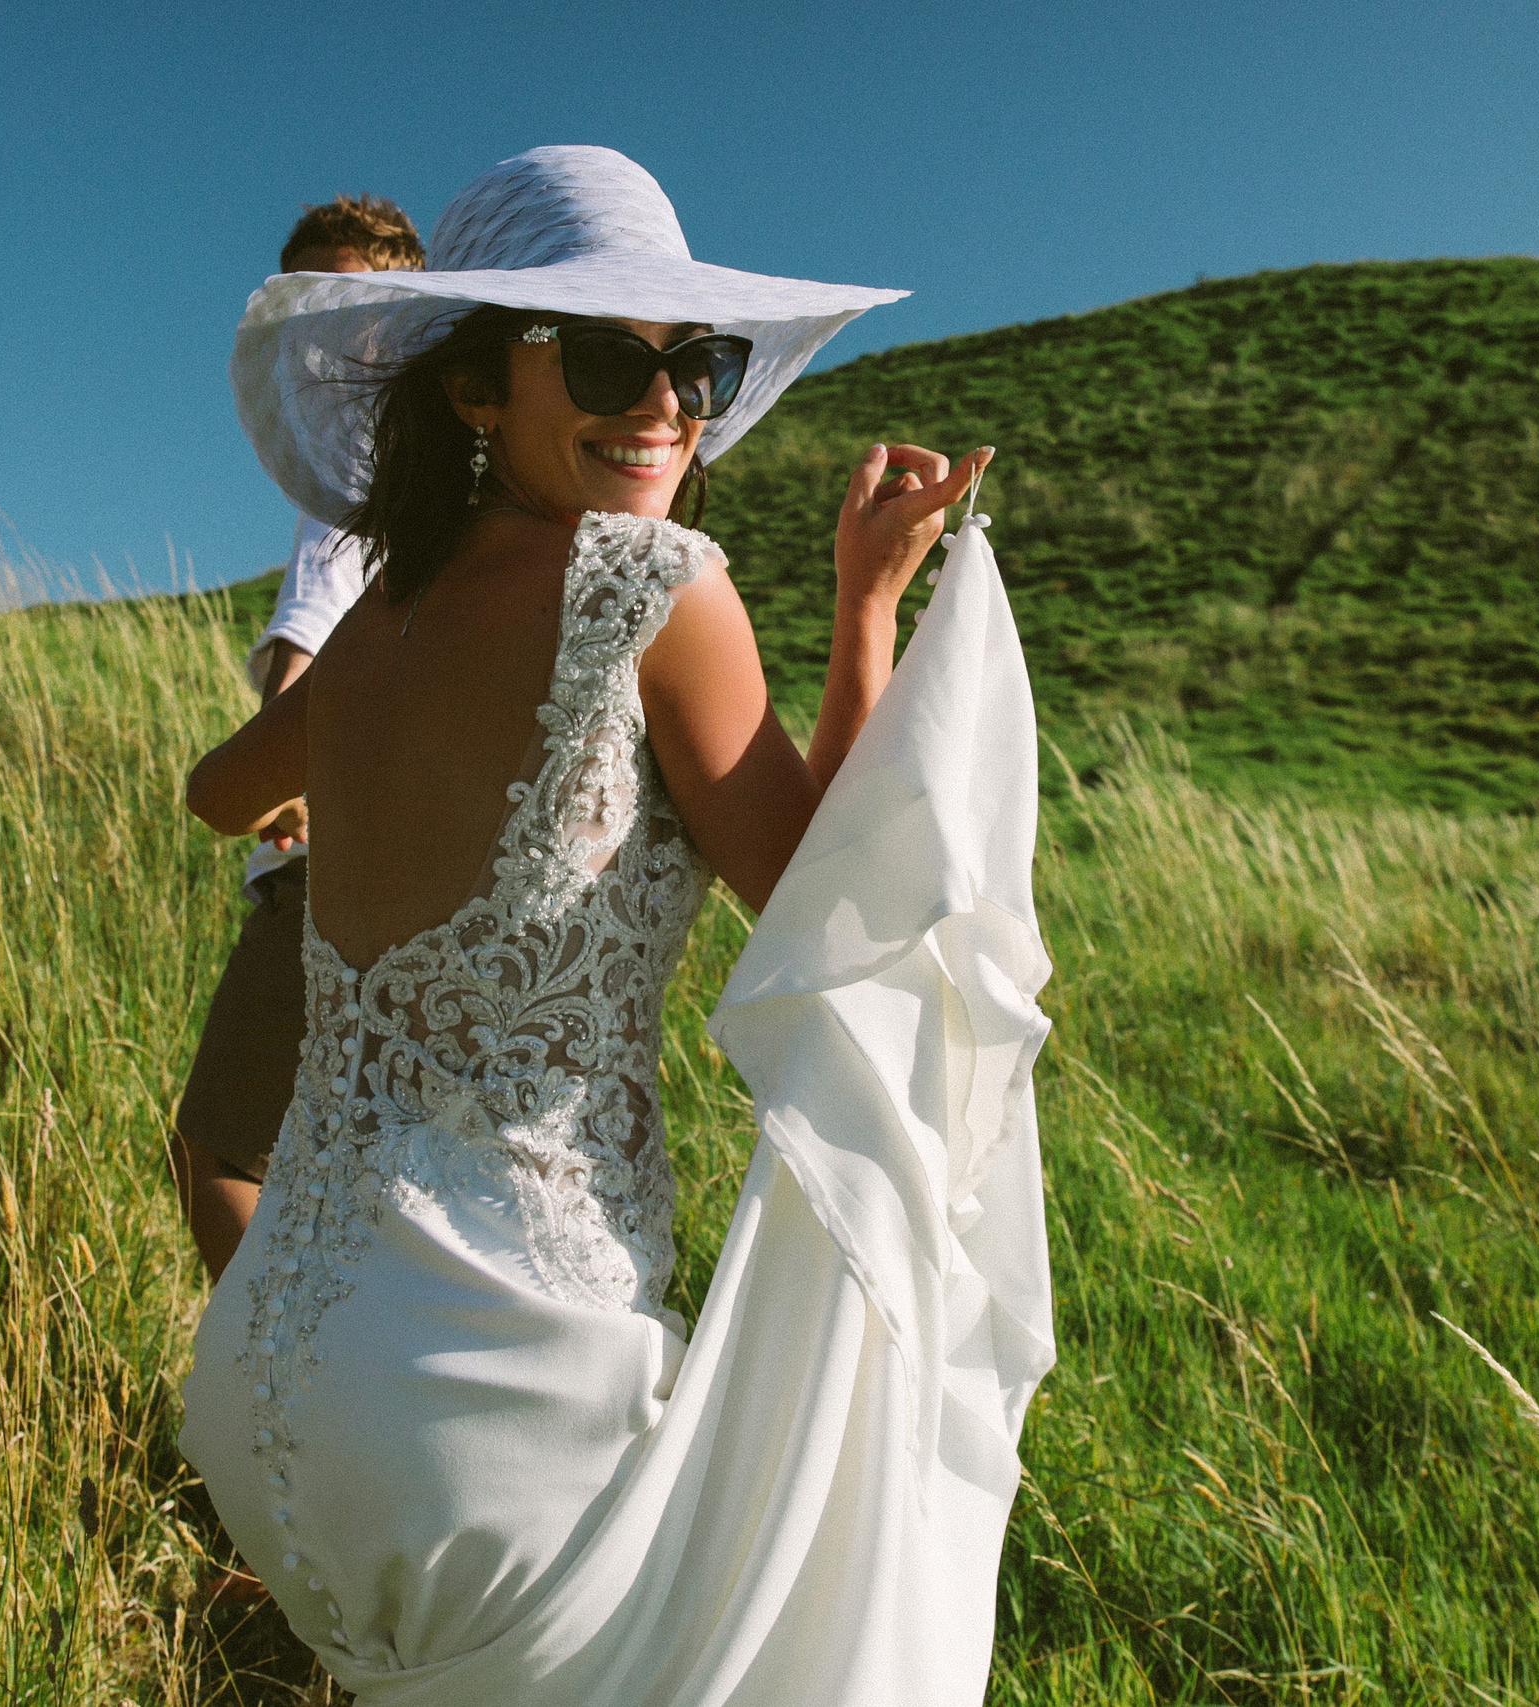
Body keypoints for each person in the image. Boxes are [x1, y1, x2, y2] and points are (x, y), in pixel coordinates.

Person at [182, 147, 1051, 1704]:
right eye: (602, 356)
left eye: (695, 365)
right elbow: (822, 903)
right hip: (495, 1397)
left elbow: (214, 790)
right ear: (473, 390)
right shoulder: (657, 584)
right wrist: (866, 615)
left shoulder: (374, 607)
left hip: (265, 1370)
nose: (663, 405)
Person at [171, 194, 426, 1286]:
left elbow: (308, 643)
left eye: (358, 300)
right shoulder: (446, 466)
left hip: (328, 864)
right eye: (311, 304)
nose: (331, 326)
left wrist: (279, 770)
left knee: (217, 1150)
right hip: (429, 863)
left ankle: (278, 1410)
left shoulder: (356, 477)